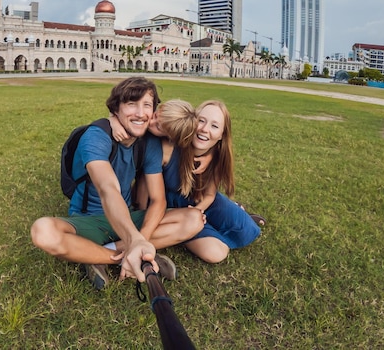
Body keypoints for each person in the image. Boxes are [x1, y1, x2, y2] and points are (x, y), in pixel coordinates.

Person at [30, 77, 204, 290]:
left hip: (127, 217)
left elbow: (158, 200)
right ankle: (115, 257)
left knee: (194, 219)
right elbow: (108, 189)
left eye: (147, 105)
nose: (140, 113)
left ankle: (99, 254)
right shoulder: (96, 136)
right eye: (131, 104)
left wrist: (141, 239)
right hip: (91, 219)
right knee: (43, 231)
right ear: (116, 109)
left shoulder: (149, 143)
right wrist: (134, 241)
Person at [116, 99, 263, 264]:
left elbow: (210, 194)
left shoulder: (216, 155)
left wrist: (198, 211)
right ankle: (191, 229)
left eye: (215, 126)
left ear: (222, 134)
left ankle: (235, 213)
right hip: (171, 207)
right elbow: (144, 182)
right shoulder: (169, 143)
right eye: (201, 120)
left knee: (245, 228)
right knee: (216, 253)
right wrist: (140, 214)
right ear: (191, 121)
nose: (205, 129)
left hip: (200, 202)